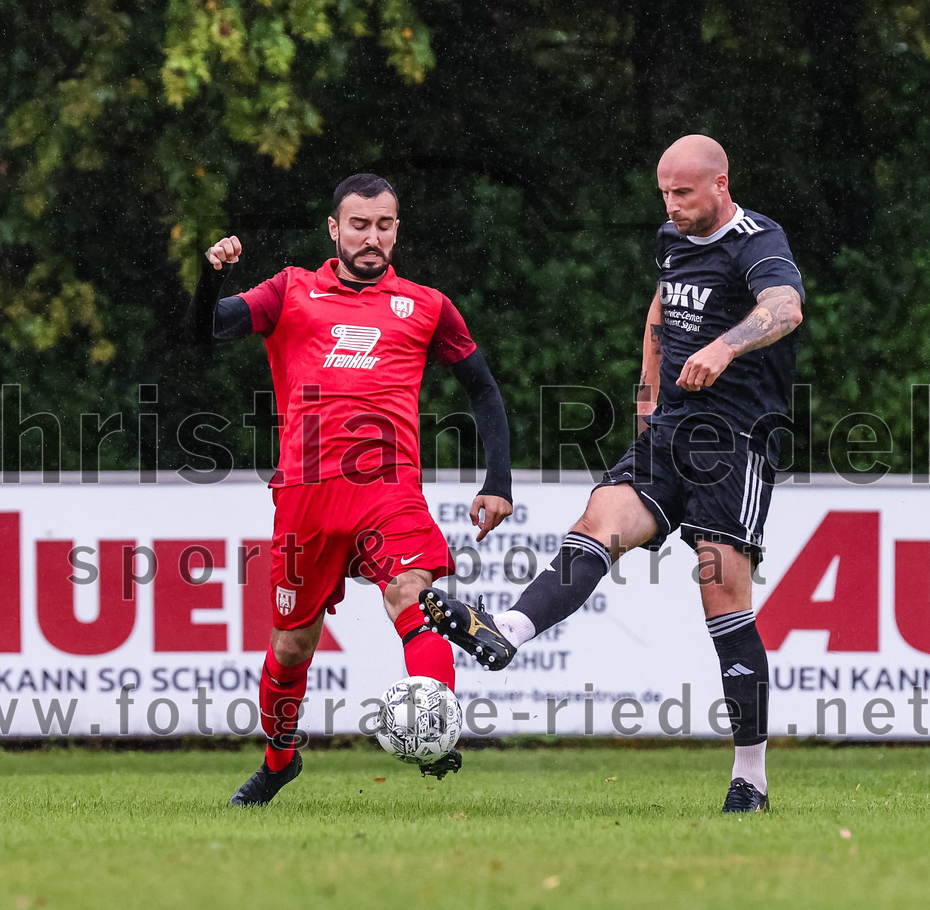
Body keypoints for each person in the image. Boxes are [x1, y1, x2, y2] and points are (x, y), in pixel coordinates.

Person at [420, 134, 804, 813]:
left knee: (721, 592)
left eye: (683, 193)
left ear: (721, 183)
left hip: (736, 438)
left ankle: (751, 777)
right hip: (670, 431)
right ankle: (506, 632)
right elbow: (659, 310)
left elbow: (785, 308)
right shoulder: (672, 236)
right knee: (599, 521)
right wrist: (646, 398)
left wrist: (725, 343)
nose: (672, 205)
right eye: (664, 193)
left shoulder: (757, 239)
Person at [185, 174, 513, 806]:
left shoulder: (425, 305)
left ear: (396, 230)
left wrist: (496, 481)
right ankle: (279, 760)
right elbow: (204, 330)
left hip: (388, 490)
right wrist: (211, 275)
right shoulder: (291, 291)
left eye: (384, 225)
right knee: (290, 646)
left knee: (411, 593)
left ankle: (434, 731)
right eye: (359, 225)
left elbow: (483, 388)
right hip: (305, 497)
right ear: (334, 230)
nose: (372, 237)